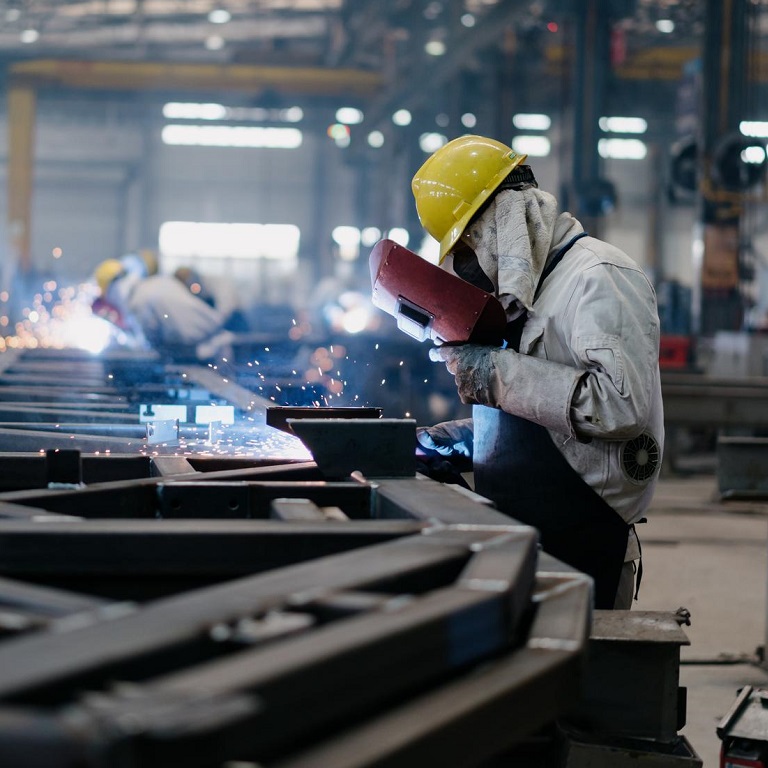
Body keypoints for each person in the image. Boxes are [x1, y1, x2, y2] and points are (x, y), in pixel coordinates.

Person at [412, 135, 664, 610]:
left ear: (506, 218)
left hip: (587, 537)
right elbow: (555, 419)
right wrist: (469, 438)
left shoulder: (599, 275)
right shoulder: (538, 291)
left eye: (470, 241)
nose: (468, 260)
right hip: (531, 525)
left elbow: (619, 408)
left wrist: (492, 373)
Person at [93, 258, 235, 361]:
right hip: (216, 346)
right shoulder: (155, 283)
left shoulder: (139, 301)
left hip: (208, 355)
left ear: (111, 291)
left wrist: (120, 333)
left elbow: (148, 349)